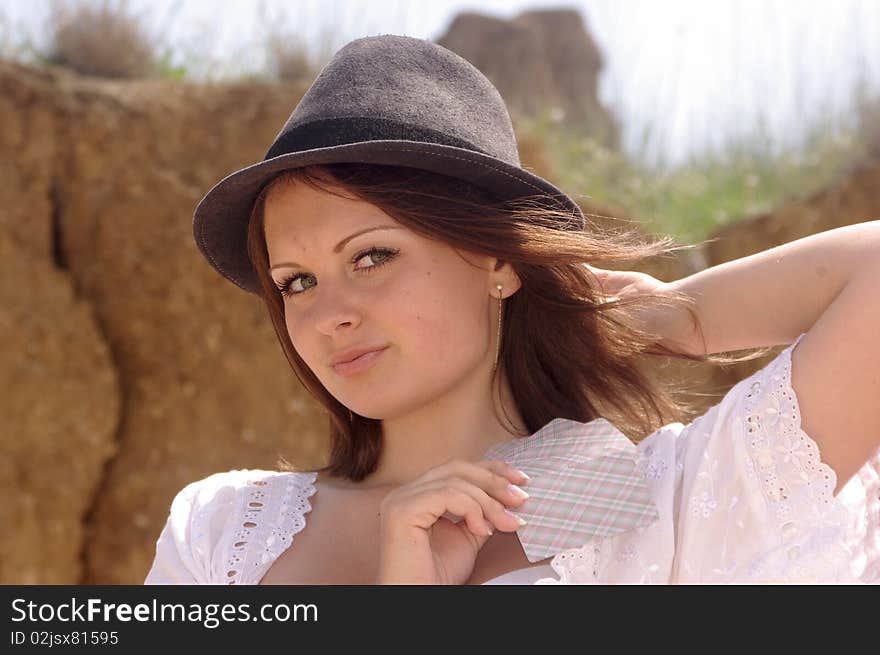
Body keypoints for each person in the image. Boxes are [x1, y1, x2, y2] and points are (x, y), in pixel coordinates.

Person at [144, 34, 879, 585]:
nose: (328, 312)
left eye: (372, 256)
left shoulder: (653, 500)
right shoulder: (226, 528)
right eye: (296, 281)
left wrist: (684, 316)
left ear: (496, 261)